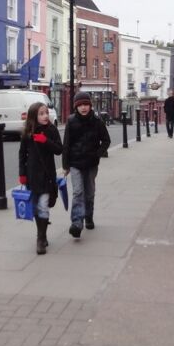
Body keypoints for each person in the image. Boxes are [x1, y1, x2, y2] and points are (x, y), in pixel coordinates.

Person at [62, 91, 110, 238]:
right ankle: (77, 222)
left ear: (90, 106)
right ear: (76, 107)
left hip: (91, 163)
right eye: (80, 105)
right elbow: (66, 144)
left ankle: (88, 216)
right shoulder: (71, 121)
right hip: (75, 163)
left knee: (89, 193)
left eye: (86, 105)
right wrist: (65, 165)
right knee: (78, 192)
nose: (83, 108)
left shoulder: (97, 121)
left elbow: (106, 141)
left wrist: (97, 154)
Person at [18, 101, 63, 254]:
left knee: (43, 205)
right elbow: (22, 154)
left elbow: (59, 149)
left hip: (47, 174)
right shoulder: (27, 133)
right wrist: (22, 174)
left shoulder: (51, 129)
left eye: (46, 113)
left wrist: (46, 141)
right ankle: (42, 234)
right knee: (36, 206)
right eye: (41, 114)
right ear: (33, 117)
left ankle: (40, 238)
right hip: (32, 175)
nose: (45, 116)